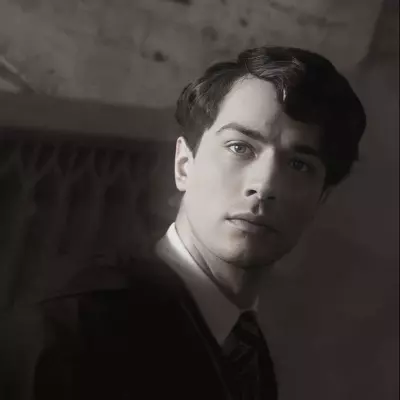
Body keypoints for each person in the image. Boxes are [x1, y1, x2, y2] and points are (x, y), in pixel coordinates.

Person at [33, 46, 366, 400]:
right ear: (184, 165)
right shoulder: (73, 331)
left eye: (299, 165)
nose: (265, 186)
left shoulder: (247, 347)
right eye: (240, 147)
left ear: (320, 199)